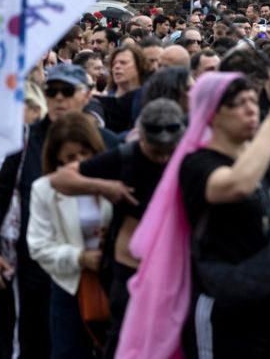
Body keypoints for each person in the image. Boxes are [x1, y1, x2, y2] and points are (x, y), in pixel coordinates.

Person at [118, 56, 270, 358]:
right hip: (225, 310)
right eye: (239, 103)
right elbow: (236, 184)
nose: (251, 109)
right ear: (213, 114)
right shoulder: (197, 163)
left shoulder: (269, 152)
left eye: (252, 101)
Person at [0, 64, 119, 359]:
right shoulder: (23, 139)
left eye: (66, 91)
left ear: (85, 96)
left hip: (96, 268)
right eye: (51, 91)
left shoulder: (108, 143)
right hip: (32, 264)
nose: (58, 98)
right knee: (31, 343)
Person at [49, 99, 186, 358]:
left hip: (173, 268)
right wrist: (105, 187)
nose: (162, 157)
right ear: (142, 137)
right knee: (123, 340)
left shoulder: (186, 157)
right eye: (155, 151)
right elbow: (61, 179)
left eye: (168, 151)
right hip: (128, 269)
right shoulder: (126, 157)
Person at [27, 112, 111, 359]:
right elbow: (39, 246)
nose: (79, 162)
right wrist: (81, 257)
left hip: (115, 280)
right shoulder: (44, 190)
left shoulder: (114, 178)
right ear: (57, 160)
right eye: (70, 157)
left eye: (85, 154)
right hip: (69, 284)